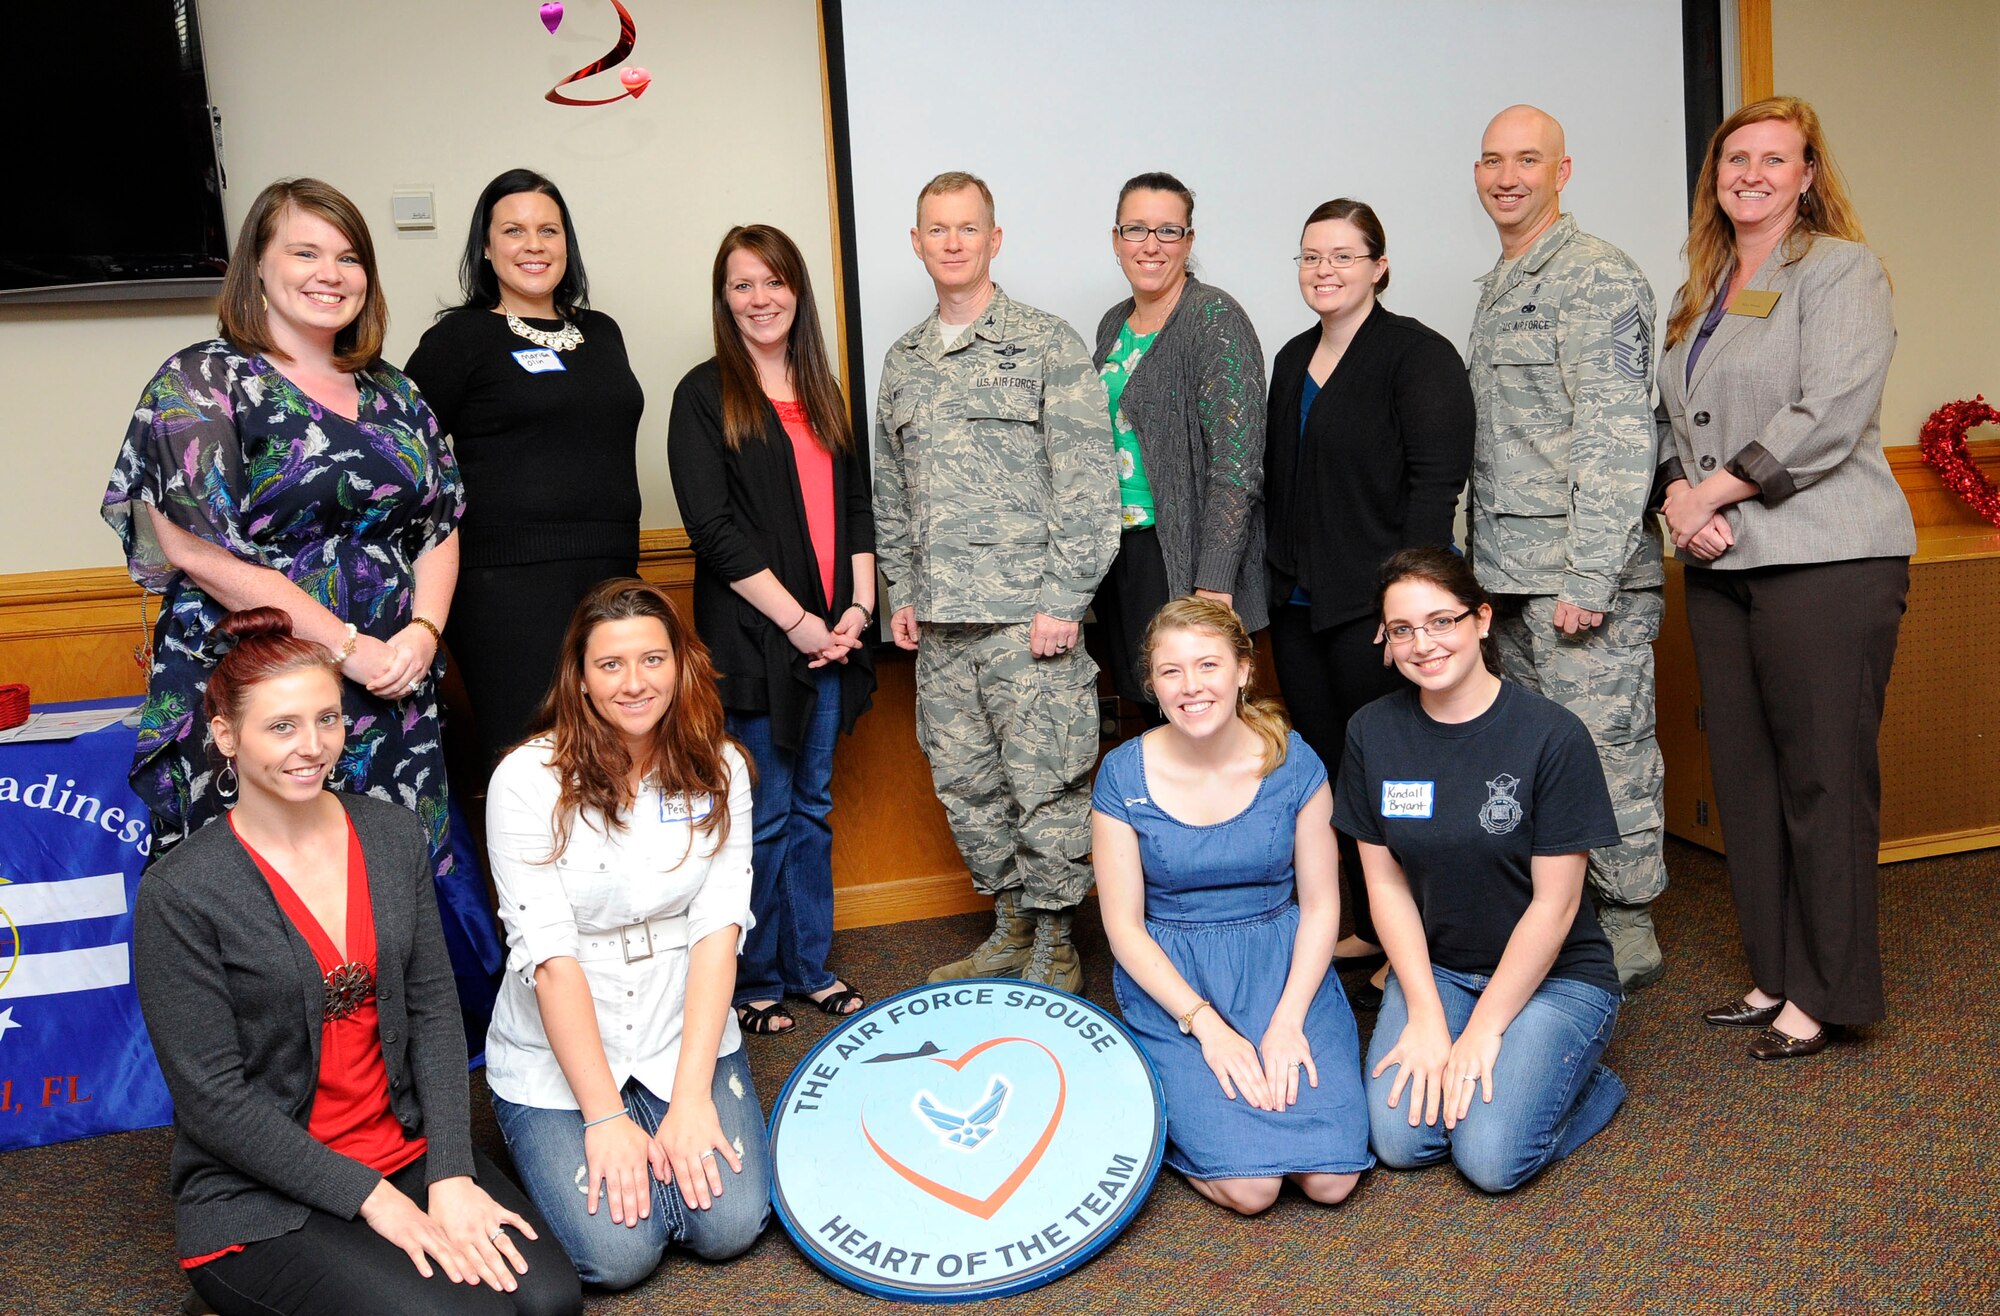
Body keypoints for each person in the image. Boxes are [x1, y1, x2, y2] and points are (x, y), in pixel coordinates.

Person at [133, 607, 579, 1316]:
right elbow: (214, 1104)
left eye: (327, 720)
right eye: (281, 726)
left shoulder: (391, 835)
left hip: (399, 1145)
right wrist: (374, 1202)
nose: (312, 747)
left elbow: (435, 1014)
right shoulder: (181, 892)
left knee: (549, 1303)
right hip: (261, 1191)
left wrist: (451, 1172)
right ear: (225, 736)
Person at [103, 177, 464, 880]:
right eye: (305, 252)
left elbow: (441, 522)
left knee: (388, 888)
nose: (331, 274)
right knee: (261, 896)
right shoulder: (201, 380)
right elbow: (191, 547)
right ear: (258, 267)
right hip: (262, 684)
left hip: (392, 678)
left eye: (350, 257)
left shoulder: (398, 391)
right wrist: (346, 647)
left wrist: (421, 636)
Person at [1655, 96, 1912, 1060]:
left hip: (1829, 558)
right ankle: (1774, 974)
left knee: (1822, 778)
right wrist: (1683, 493)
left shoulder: (1840, 270)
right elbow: (1666, 419)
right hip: (1725, 564)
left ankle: (1831, 991)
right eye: (1735, 160)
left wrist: (1706, 496)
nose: (1750, 174)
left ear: (1809, 176)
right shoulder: (1706, 285)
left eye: (1774, 159)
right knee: (1749, 779)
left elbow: (1831, 409)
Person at [483, 580, 771, 1288]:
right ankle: (536, 1145)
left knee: (730, 1227)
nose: (634, 683)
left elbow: (716, 932)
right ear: (579, 678)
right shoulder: (525, 780)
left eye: (652, 660)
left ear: (681, 665)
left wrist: (694, 1093)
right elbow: (550, 960)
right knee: (618, 1257)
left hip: (681, 1020)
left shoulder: (721, 766)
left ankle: (664, 1119)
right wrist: (607, 1118)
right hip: (565, 1038)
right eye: (610, 664)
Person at [874, 170, 1118, 993]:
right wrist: (900, 593)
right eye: (936, 229)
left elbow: (1090, 486)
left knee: (1047, 782)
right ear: (917, 243)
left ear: (994, 239)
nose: (952, 243)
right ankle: (1010, 925)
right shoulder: (903, 360)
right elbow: (890, 490)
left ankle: (1057, 939)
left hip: (1028, 619)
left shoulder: (1047, 344)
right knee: (968, 784)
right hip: (941, 626)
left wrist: (1064, 600)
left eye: (967, 229)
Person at [1333, 548, 1626, 1193]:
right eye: (1403, 629)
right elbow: (1383, 885)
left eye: (1442, 621)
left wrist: (1484, 1032)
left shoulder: (1551, 735)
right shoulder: (1371, 733)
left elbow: (1555, 906)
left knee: (1489, 1161)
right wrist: (1428, 1015)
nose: (1423, 644)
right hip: (1439, 971)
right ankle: (1517, 1073)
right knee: (1398, 1144)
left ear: (1483, 620)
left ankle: (1589, 1081)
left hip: (1555, 977)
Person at [1465, 106, 1669, 992]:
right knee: (1537, 758)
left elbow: (1617, 439)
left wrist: (1590, 574)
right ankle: (1564, 913)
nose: (1507, 177)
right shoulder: (1505, 279)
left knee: (1606, 748)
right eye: (1492, 160)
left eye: (1528, 160)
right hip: (1509, 575)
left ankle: (1628, 922)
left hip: (1579, 581)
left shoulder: (1596, 277)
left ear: (1563, 170)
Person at [1092, 597, 1370, 1215]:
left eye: (1208, 665)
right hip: (1176, 979)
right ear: (1153, 685)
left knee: (1332, 1181)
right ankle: (1173, 1119)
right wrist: (1207, 1026)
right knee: (1251, 1189)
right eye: (1171, 672)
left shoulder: (1294, 760)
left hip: (1283, 964)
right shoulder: (1121, 774)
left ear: (1244, 670)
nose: (1191, 687)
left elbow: (1324, 905)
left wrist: (1290, 1018)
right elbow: (1122, 927)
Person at [1264, 198, 1475, 1004]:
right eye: (1312, 256)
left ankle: (1422, 941)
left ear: (1379, 266)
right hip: (1299, 608)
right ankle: (1357, 920)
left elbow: (1434, 488)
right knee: (1332, 773)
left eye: (1345, 256)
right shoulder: (1290, 360)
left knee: (1401, 778)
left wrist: (1408, 615)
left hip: (1376, 614)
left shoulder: (1417, 356)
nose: (1326, 270)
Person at [668, 223, 875, 1036]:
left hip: (832, 635)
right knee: (764, 813)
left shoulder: (824, 388)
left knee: (814, 807)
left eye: (773, 281)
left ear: (797, 291)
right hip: (758, 640)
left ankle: (809, 968)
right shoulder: (702, 392)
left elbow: (858, 508)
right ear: (724, 300)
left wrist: (854, 611)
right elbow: (711, 531)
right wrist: (797, 623)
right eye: (742, 285)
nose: (760, 299)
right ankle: (752, 979)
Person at [406, 168, 644, 771]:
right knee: (532, 762)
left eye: (548, 230)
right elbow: (401, 460)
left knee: (616, 756)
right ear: (486, 248)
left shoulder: (602, 332)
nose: (533, 245)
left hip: (611, 577)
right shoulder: (459, 338)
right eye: (513, 230)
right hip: (504, 588)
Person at [1090, 171, 1267, 713]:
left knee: (1192, 715)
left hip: (1183, 560)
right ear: (1115, 239)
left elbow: (1238, 467)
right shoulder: (1113, 324)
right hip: (1121, 553)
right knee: (1144, 705)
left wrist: (1213, 580)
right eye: (1136, 229)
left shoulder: (1213, 318)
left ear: (1189, 241)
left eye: (1168, 231)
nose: (1151, 245)